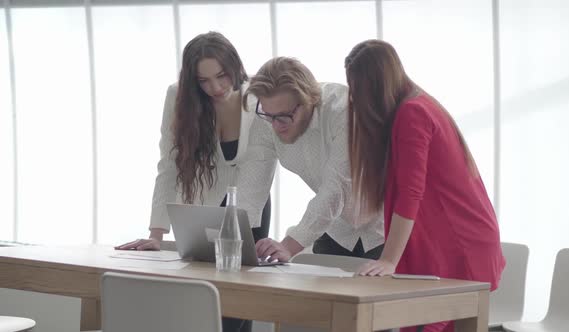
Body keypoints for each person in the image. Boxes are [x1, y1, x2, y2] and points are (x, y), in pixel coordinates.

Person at [344, 39, 505, 332]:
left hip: (459, 241)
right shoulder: (419, 104)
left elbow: (411, 193)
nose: (354, 101)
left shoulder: (412, 113)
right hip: (456, 236)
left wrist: (389, 259)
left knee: (430, 322)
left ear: (376, 87)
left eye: (358, 91)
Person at [116, 31, 270, 332]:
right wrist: (157, 232)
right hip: (206, 201)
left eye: (222, 75)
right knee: (205, 301)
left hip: (251, 201)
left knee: (239, 299)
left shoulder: (258, 94)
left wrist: (243, 231)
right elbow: (169, 163)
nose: (215, 87)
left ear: (234, 65)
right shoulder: (179, 96)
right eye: (204, 81)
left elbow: (265, 161)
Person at [235, 57, 384, 262]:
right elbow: (251, 188)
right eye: (269, 116)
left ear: (309, 100)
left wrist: (288, 246)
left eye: (284, 116)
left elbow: (336, 189)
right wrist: (235, 245)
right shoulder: (268, 117)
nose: (276, 126)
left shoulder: (345, 111)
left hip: (385, 229)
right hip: (336, 229)